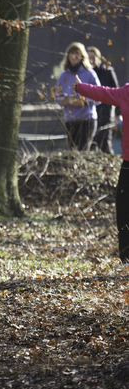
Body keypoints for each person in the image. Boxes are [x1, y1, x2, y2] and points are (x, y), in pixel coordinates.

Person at [74, 76, 129, 262]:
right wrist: (80, 87)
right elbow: (103, 93)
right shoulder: (125, 92)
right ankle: (126, 257)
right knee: (123, 209)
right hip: (128, 162)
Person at [55, 42, 100, 151]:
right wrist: (64, 100)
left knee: (82, 150)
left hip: (87, 119)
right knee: (72, 151)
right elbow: (57, 96)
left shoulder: (90, 74)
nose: (74, 56)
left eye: (77, 53)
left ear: (82, 55)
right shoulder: (63, 75)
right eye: (71, 53)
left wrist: (84, 101)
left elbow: (99, 97)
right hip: (70, 120)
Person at [87, 46, 119, 154]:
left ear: (99, 58)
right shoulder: (85, 74)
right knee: (90, 143)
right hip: (89, 113)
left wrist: (118, 113)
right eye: (88, 57)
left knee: (104, 142)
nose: (91, 60)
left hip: (105, 113)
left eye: (93, 57)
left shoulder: (108, 71)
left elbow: (117, 93)